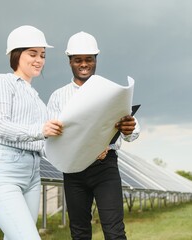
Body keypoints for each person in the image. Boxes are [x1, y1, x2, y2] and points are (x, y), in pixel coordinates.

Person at [47, 31, 140, 240]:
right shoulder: (58, 97)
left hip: (105, 168)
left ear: (96, 60)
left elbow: (133, 131)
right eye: (78, 60)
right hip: (73, 170)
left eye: (89, 59)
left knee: (114, 232)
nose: (84, 64)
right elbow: (51, 137)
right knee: (79, 233)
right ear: (70, 61)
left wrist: (130, 127)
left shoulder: (110, 91)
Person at [0, 25, 63, 240]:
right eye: (32, 54)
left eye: (43, 55)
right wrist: (41, 130)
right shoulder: (3, 82)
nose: (39, 60)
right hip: (5, 172)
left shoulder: (37, 99)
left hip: (33, 175)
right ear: (16, 54)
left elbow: (45, 141)